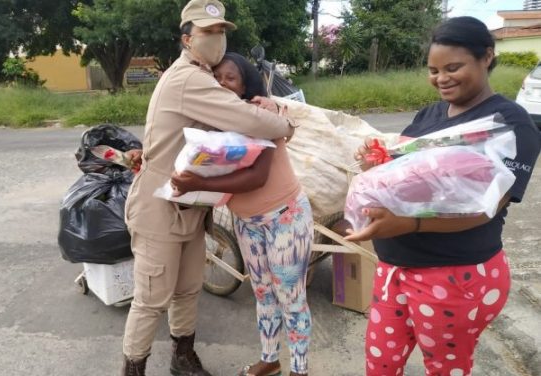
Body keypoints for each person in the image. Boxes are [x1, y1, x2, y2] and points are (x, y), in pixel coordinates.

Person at [346, 17, 540, 376]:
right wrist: (373, 164)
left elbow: (487, 207)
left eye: (453, 67)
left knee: (445, 368)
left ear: (486, 57)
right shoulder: (430, 114)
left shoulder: (509, 123)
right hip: (394, 268)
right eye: (433, 70)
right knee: (380, 364)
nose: (441, 79)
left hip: (454, 275)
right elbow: (401, 176)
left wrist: (410, 223)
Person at [121, 1, 297, 375]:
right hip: (160, 205)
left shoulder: (202, 75)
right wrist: (285, 125)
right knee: (152, 299)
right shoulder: (190, 78)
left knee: (187, 290)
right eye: (208, 33)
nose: (217, 40)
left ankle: (182, 358)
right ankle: (132, 369)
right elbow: (243, 117)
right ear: (187, 39)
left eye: (221, 32)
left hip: (190, 204)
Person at [171, 52, 314, 376]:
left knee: (290, 298)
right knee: (263, 294)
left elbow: (257, 176)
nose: (221, 84)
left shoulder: (260, 112)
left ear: (245, 83)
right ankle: (270, 359)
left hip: (285, 218)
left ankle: (300, 370)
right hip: (247, 223)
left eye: (229, 78)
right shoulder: (213, 123)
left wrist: (197, 180)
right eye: (216, 78)